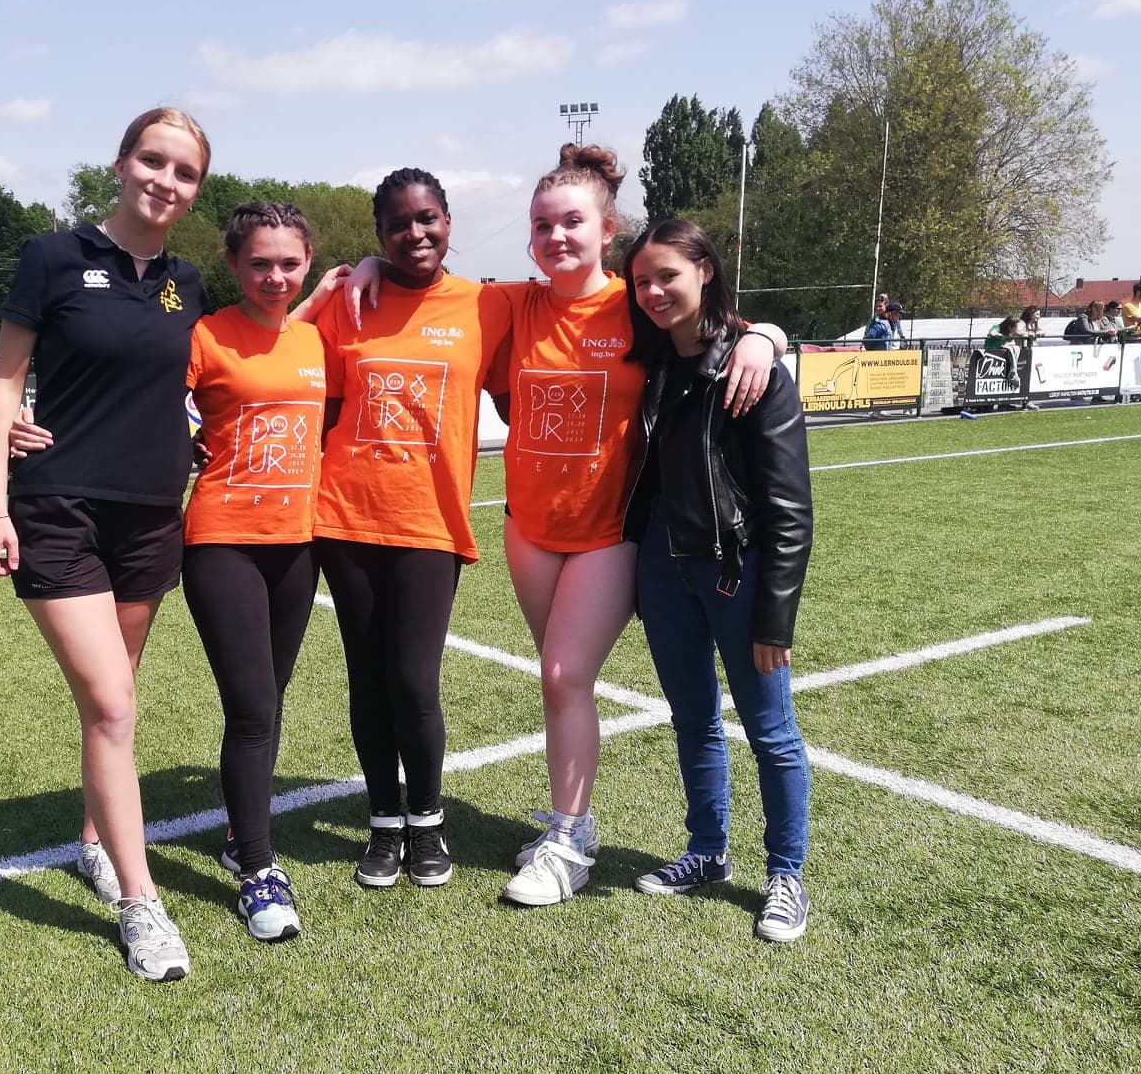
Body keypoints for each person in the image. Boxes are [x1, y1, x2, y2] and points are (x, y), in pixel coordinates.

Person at [336, 154, 783, 904]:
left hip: (610, 532)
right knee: (560, 686)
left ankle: (570, 840)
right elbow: (430, 293)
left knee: (563, 675)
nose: (556, 237)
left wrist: (764, 336)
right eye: (542, 225)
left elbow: (726, 324)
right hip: (529, 529)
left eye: (573, 222)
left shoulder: (639, 300)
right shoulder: (511, 304)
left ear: (608, 230)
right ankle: (567, 818)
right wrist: (362, 264)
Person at [0, 107, 213, 983]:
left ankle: (92, 840)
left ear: (193, 191)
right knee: (113, 705)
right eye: (153, 161)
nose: (165, 180)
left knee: (114, 699)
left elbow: (236, 357)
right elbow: (5, 381)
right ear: (121, 164)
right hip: (57, 509)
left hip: (154, 513)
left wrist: (345, 279)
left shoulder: (188, 282)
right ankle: (142, 906)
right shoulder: (52, 257)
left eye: (183, 171)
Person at [312, 169, 510, 891]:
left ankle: (428, 821)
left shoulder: (489, 305)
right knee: (367, 682)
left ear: (449, 220)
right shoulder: (349, 301)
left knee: (413, 682)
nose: (415, 234)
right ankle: (384, 822)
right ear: (379, 235)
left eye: (427, 218)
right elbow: (288, 368)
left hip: (431, 523)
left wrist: (759, 334)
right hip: (345, 516)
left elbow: (588, 315)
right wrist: (348, 275)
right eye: (397, 225)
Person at [622, 218, 815, 944]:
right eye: (640, 280)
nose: (652, 291)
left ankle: (786, 875)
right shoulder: (653, 355)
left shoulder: (752, 366)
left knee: (771, 730)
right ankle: (706, 850)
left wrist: (776, 618)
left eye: (666, 275)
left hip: (739, 573)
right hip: (664, 570)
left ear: (705, 270)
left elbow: (792, 508)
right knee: (692, 718)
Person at [177, 203, 329, 942]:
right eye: (260, 263)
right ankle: (260, 870)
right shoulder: (204, 333)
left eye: (289, 263)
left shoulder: (316, 337)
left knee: (273, 696)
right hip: (222, 541)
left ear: (307, 264)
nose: (275, 277)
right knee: (252, 708)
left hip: (297, 544)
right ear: (233, 266)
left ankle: (241, 833)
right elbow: (141, 401)